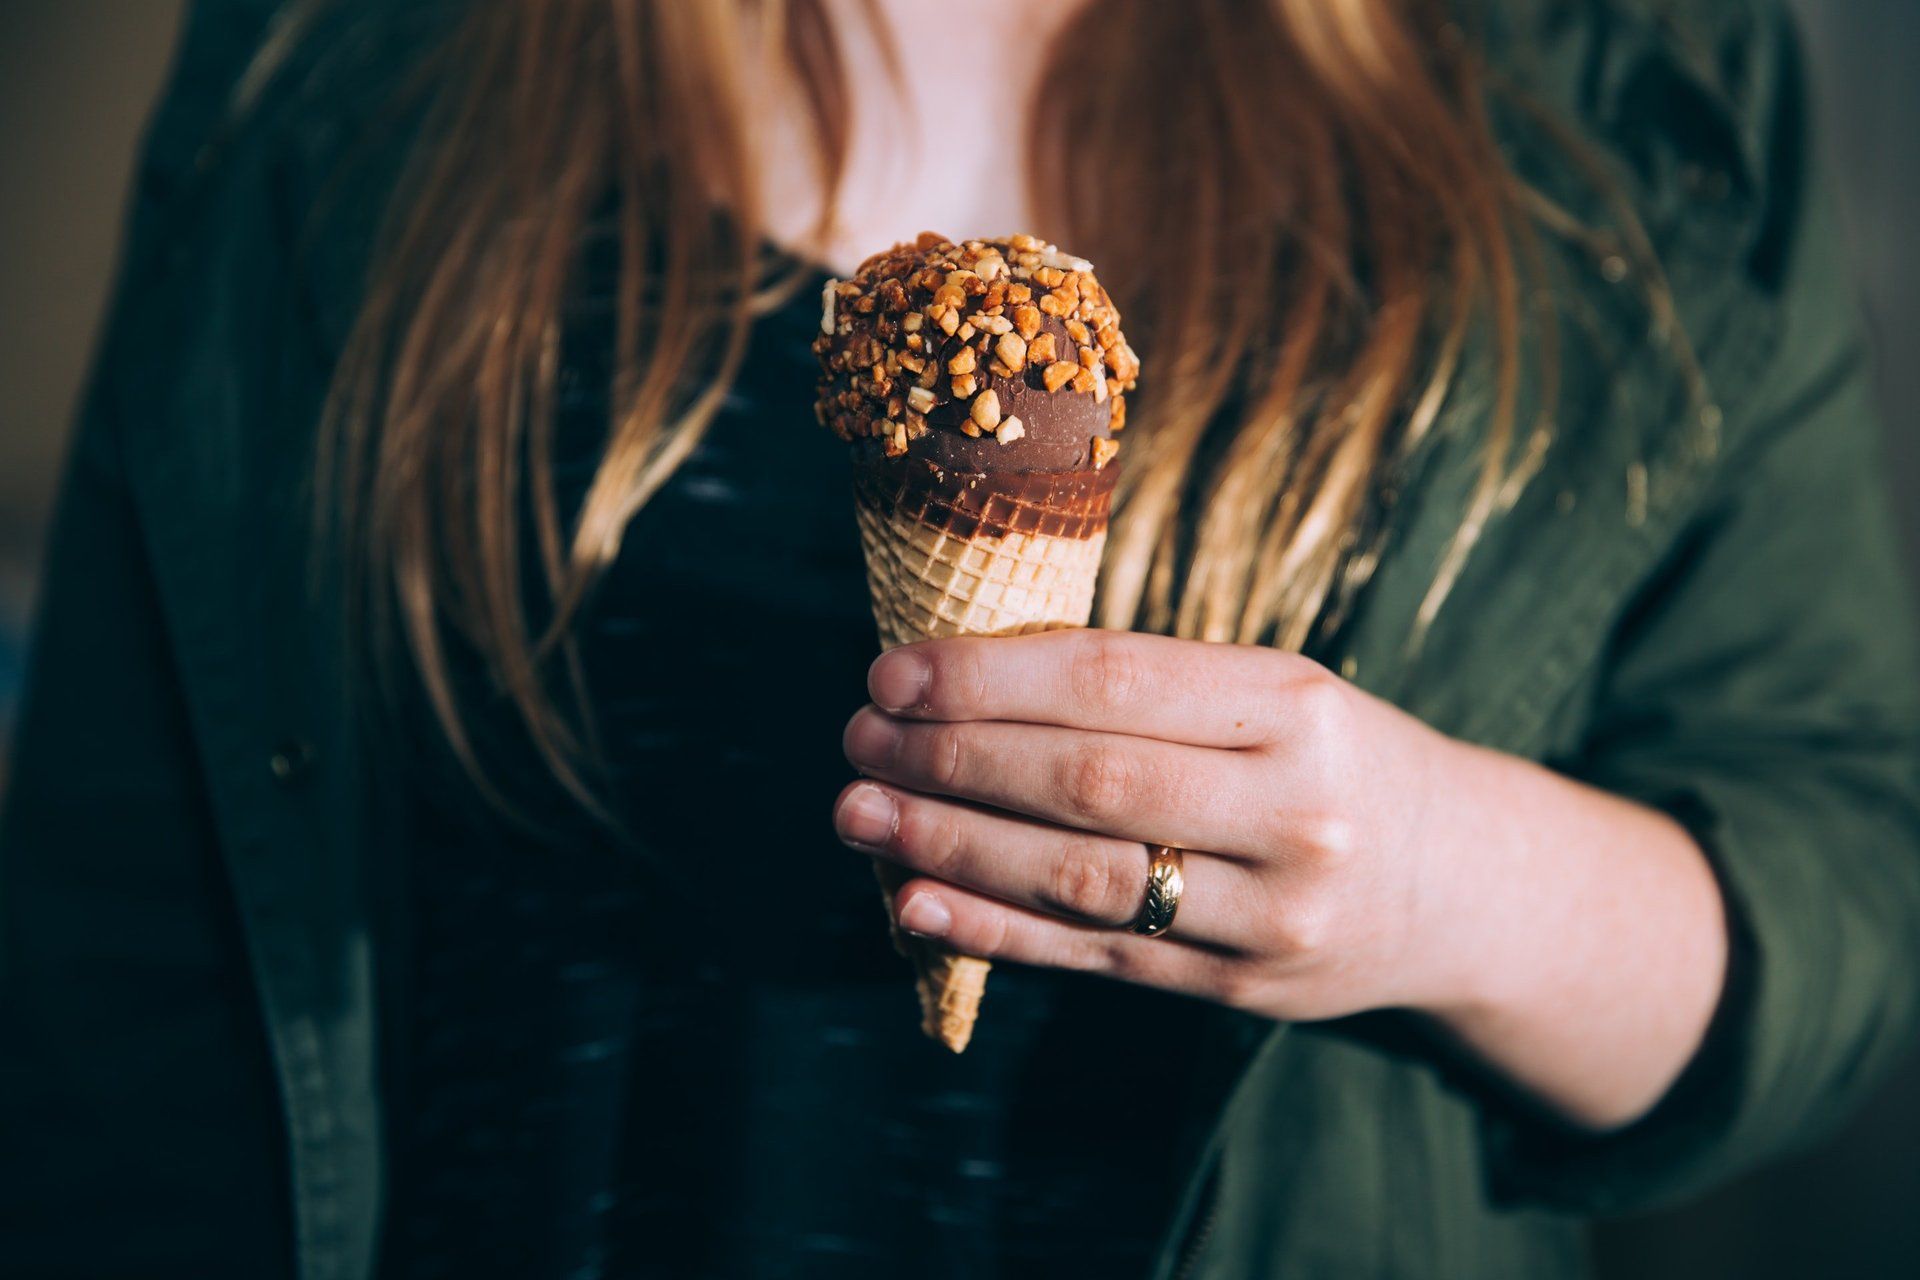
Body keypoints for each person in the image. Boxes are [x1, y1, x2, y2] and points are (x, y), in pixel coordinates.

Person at [4, 0, 1917, 1276]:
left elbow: (1854, 876)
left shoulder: (1638, 67)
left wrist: (1438, 871)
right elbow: (120, 950)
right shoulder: (343, 47)